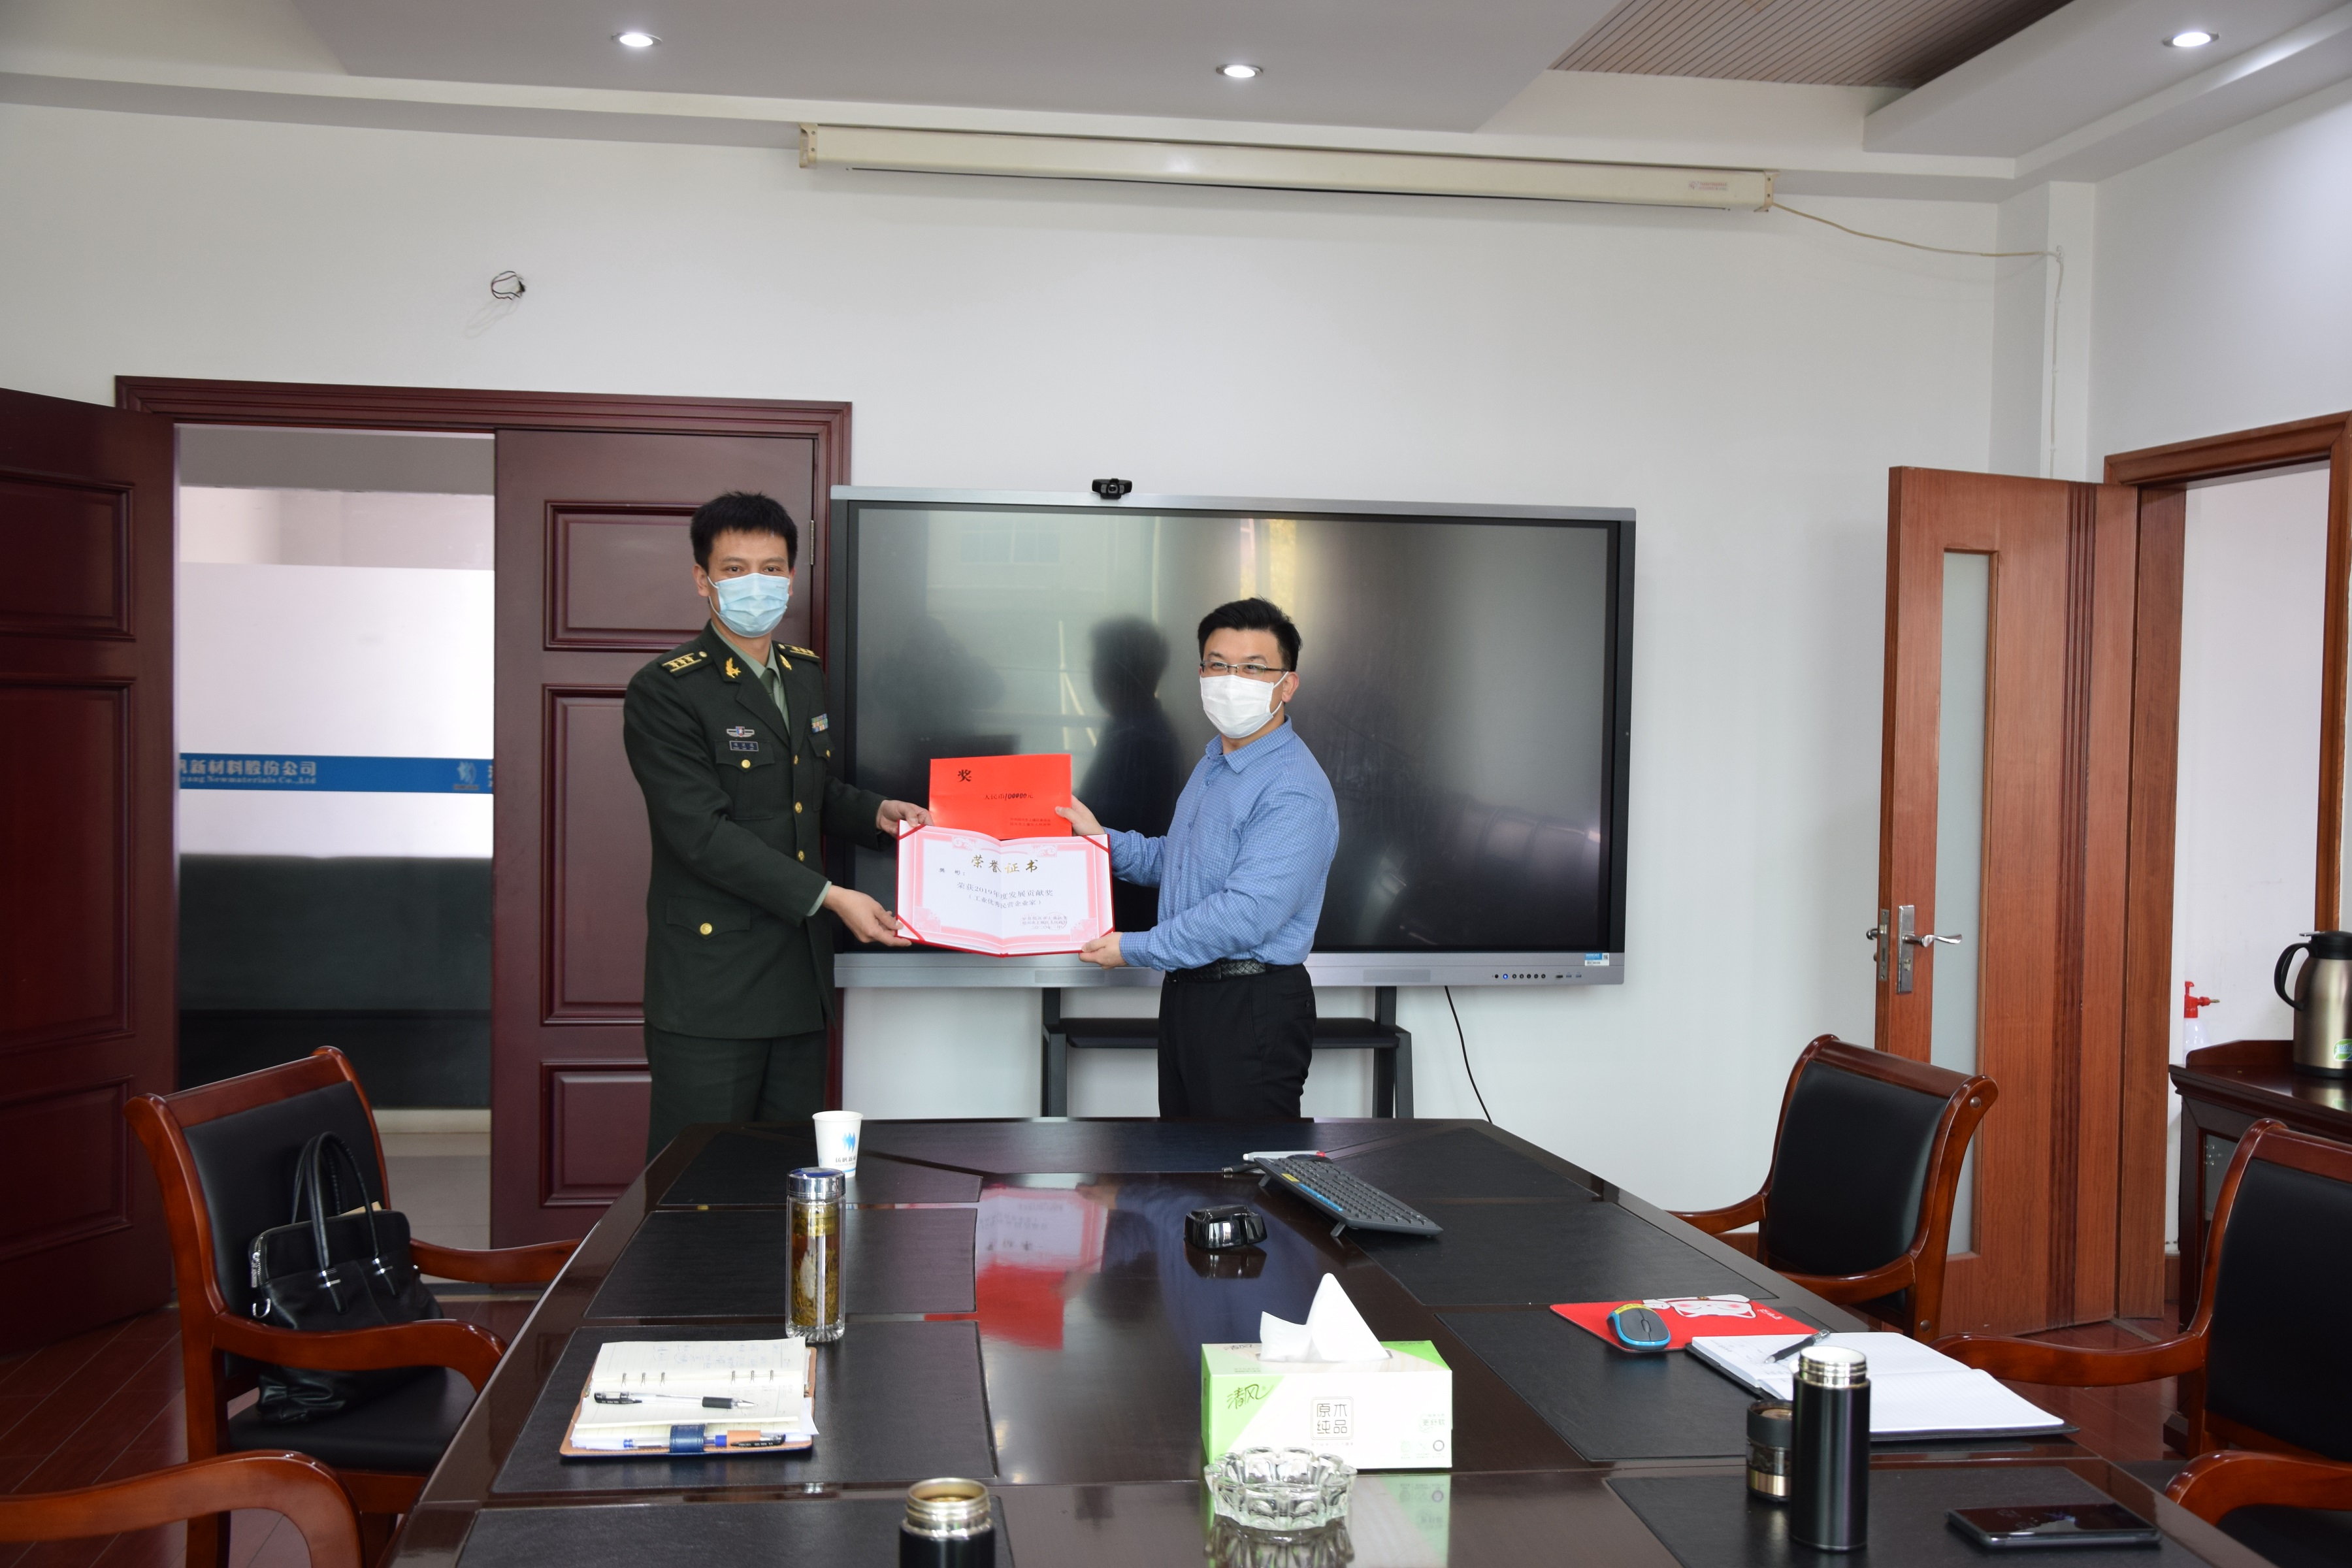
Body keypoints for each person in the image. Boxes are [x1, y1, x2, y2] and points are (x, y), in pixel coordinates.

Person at [623, 491, 928, 1159]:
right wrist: (830, 896)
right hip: (712, 987)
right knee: (698, 1185)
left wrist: (876, 813)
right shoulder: (667, 689)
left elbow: (804, 794)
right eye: (734, 569)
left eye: (771, 568)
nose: (755, 584)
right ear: (702, 578)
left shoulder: (803, 673)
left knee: (789, 1177)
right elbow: (701, 834)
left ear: (791, 577)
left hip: (797, 978)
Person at [1057, 598, 1339, 1118]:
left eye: (1252, 668)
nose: (1231, 681)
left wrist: (1135, 948)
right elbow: (1181, 862)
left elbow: (1246, 913)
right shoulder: (1215, 762)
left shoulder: (1292, 788)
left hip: (1249, 1004)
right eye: (1217, 665)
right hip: (1191, 996)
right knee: (1186, 1160)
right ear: (1201, 674)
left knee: (1240, 1166)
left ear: (1288, 685)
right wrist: (1098, 840)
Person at [1078, 616, 1182, 936]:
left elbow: (1102, 821)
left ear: (1118, 671)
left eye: (1097, 664)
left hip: (1127, 914)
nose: (1093, 675)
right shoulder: (1133, 726)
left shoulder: (1139, 738)